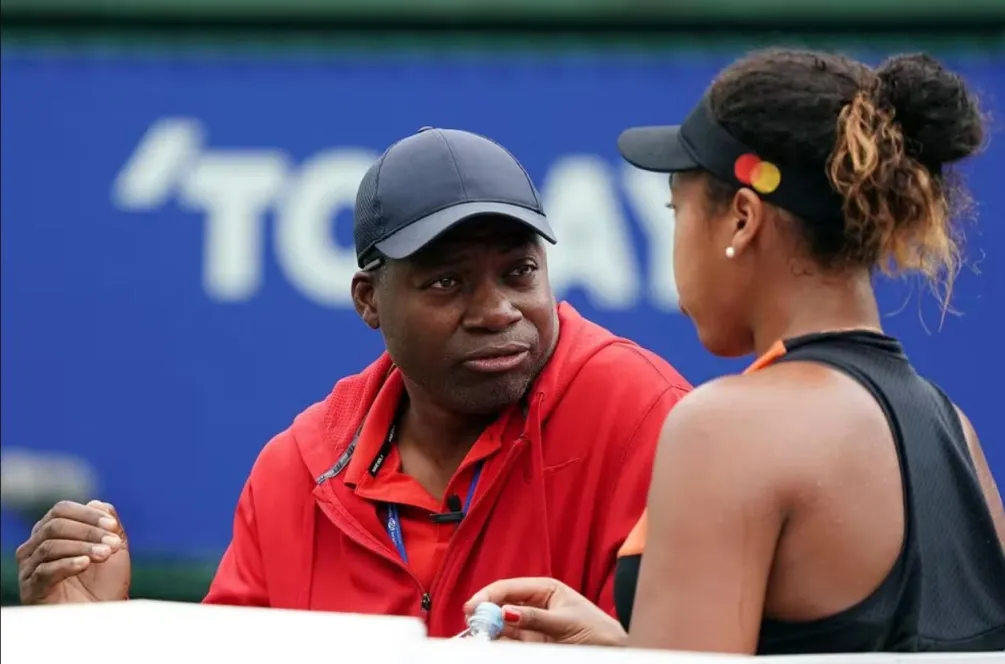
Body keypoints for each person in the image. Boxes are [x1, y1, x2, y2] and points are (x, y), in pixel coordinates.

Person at [14, 127, 692, 637]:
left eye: (518, 273)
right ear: (368, 300)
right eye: (448, 281)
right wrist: (88, 638)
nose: (496, 311)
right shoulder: (295, 471)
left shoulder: (642, 416)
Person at [466, 50, 1005, 652]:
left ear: (743, 219)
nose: (675, 237)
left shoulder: (724, 430)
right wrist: (625, 649)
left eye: (678, 209)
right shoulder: (954, 431)